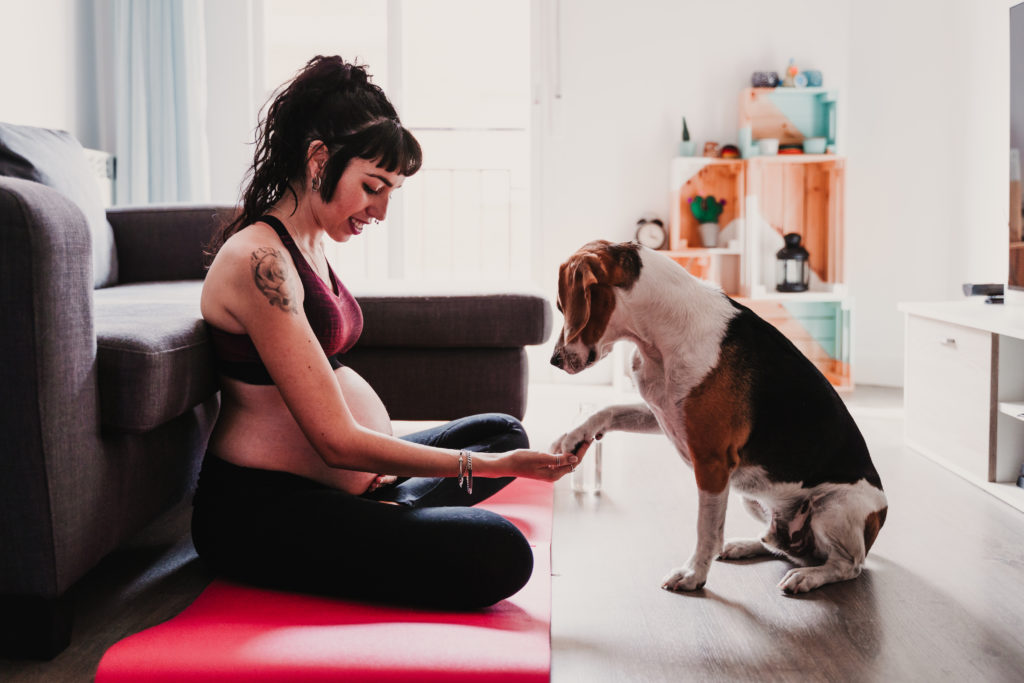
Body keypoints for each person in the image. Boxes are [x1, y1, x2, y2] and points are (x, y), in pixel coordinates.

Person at [192, 55, 576, 610]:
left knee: (502, 432)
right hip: (262, 510)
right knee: (500, 550)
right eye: (373, 186)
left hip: (351, 481)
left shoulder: (310, 243)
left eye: (391, 190)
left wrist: (489, 458)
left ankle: (387, 508)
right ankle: (386, 512)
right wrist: (488, 470)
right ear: (319, 159)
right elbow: (335, 442)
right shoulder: (260, 261)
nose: (381, 209)